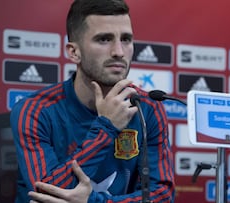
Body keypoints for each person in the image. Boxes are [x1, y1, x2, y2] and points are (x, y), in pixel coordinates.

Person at [10, 0, 175, 202]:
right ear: (73, 52)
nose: (119, 52)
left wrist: (94, 201)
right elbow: (47, 194)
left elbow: (162, 196)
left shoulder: (147, 108)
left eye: (126, 39)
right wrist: (107, 127)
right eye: (104, 40)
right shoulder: (35, 111)